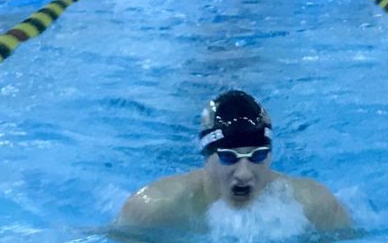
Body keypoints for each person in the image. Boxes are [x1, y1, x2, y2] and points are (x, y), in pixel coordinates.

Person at [116, 90, 351, 235]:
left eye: (258, 155)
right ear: (207, 159)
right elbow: (117, 239)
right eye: (229, 157)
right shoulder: (157, 205)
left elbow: (351, 240)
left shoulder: (313, 203)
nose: (244, 173)